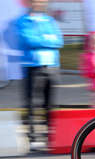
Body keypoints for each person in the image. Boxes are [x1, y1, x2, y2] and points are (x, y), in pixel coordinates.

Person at [17, 0, 63, 144]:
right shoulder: (23, 21)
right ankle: (33, 138)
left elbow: (59, 41)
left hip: (52, 67)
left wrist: (42, 39)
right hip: (33, 66)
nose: (39, 3)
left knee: (50, 104)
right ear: (30, 3)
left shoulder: (49, 20)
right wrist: (48, 39)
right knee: (31, 104)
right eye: (36, 1)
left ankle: (51, 137)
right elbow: (29, 40)